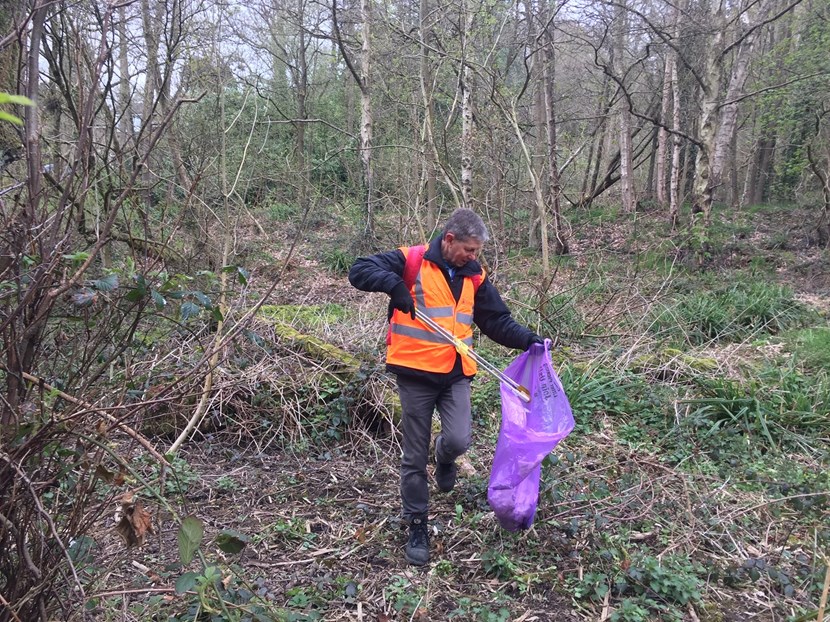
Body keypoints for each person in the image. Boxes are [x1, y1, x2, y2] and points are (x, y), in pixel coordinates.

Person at [349, 208, 543, 565]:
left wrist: (528, 339)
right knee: (413, 456)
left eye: (477, 252)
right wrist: (395, 286)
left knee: (458, 439)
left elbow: (495, 320)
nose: (474, 257)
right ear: (450, 240)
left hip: (455, 373)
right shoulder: (412, 260)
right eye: (469, 250)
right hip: (415, 374)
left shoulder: (474, 275)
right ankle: (417, 524)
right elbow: (359, 269)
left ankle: (446, 458)